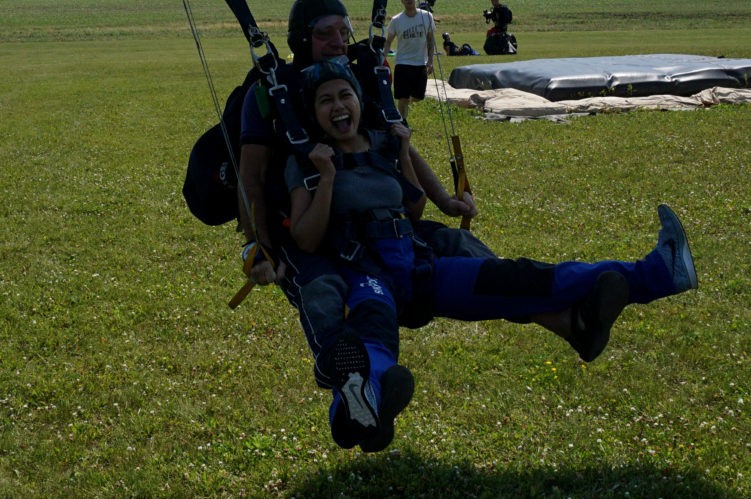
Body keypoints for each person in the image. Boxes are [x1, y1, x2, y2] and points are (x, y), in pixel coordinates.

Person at [285, 57, 699, 451]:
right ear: (314, 112)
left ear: (359, 100)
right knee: (370, 335)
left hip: (415, 263)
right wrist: (326, 178)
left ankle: (658, 273)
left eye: (345, 95)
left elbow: (413, 209)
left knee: (517, 278)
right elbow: (306, 238)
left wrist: (404, 154)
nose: (338, 106)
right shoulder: (308, 162)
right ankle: (360, 405)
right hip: (364, 272)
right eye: (326, 100)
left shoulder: (383, 143)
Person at [237, 0, 486, 394]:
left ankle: (555, 302)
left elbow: (395, 139)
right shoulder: (270, 92)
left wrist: (444, 199)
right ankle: (347, 379)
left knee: (459, 244)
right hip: (306, 231)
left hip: (373, 224)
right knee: (325, 294)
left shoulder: (355, 79)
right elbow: (251, 178)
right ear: (302, 40)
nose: (339, 42)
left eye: (344, 31)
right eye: (326, 34)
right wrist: (256, 247)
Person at [385, 0, 435, 119]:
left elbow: (430, 41)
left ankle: (407, 103)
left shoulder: (427, 16)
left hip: (420, 63)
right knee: (403, 97)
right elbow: (388, 41)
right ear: (402, 1)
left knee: (418, 97)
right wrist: (382, 58)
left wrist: (430, 60)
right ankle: (402, 122)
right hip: (402, 63)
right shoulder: (396, 20)